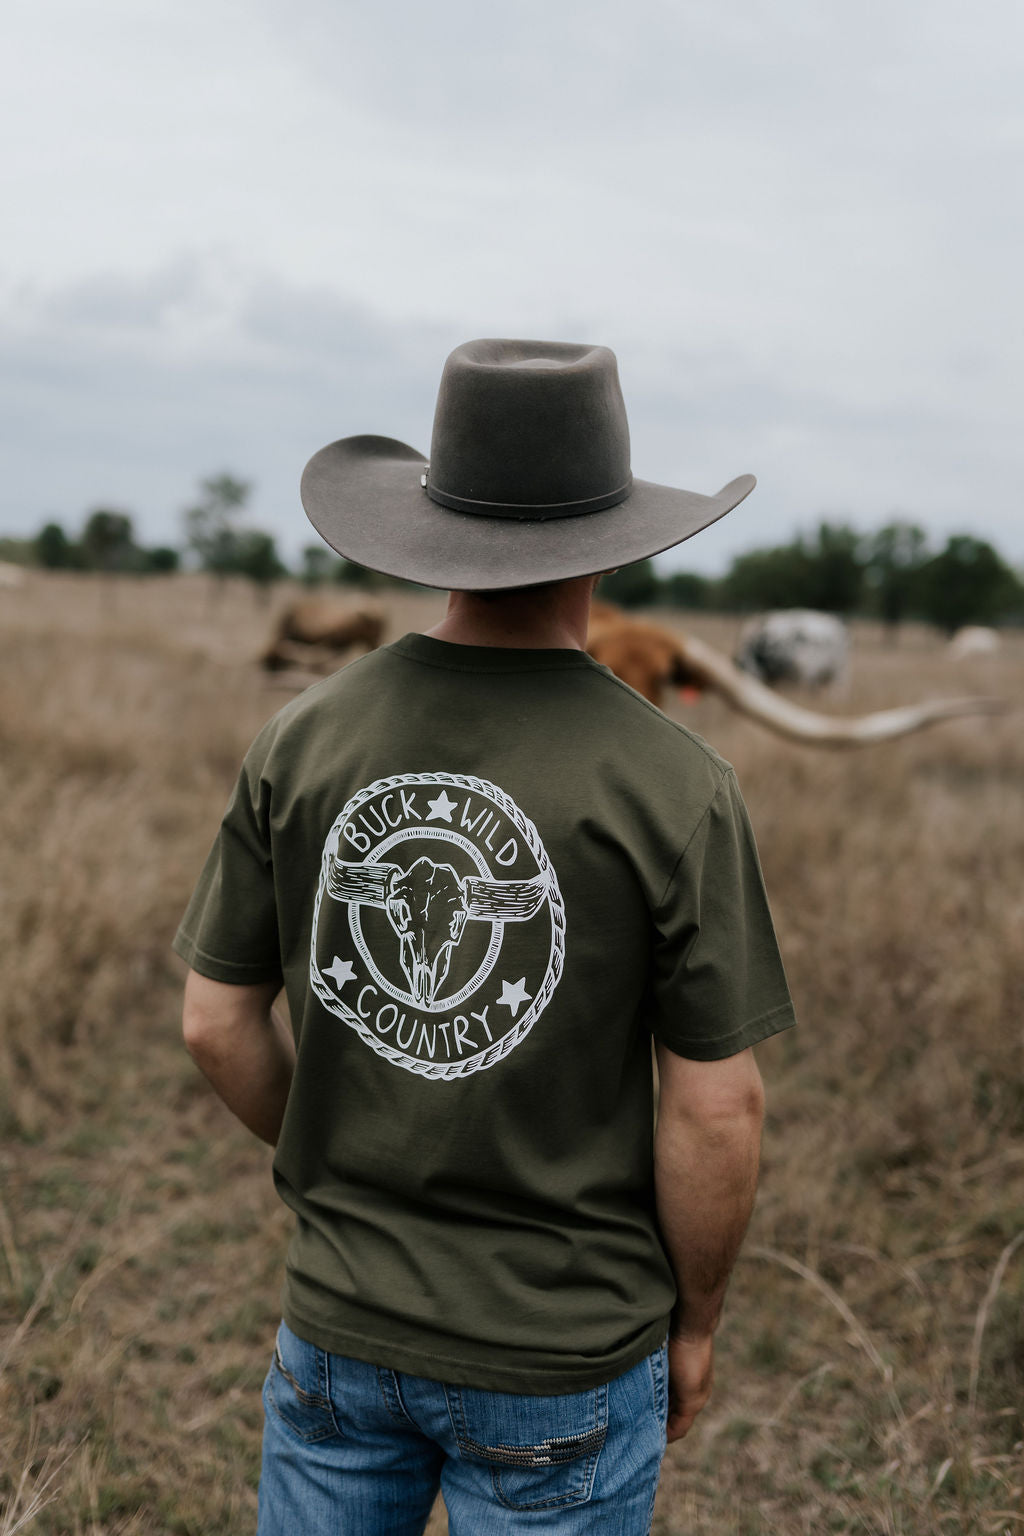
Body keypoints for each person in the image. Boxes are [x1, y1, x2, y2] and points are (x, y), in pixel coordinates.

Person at [174, 338, 795, 1535]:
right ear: (607, 542)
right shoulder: (678, 784)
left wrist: (345, 1157)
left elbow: (212, 1023)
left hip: (337, 1328)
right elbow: (717, 1108)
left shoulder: (302, 738)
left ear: (435, 527)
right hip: (563, 1349)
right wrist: (698, 1323)